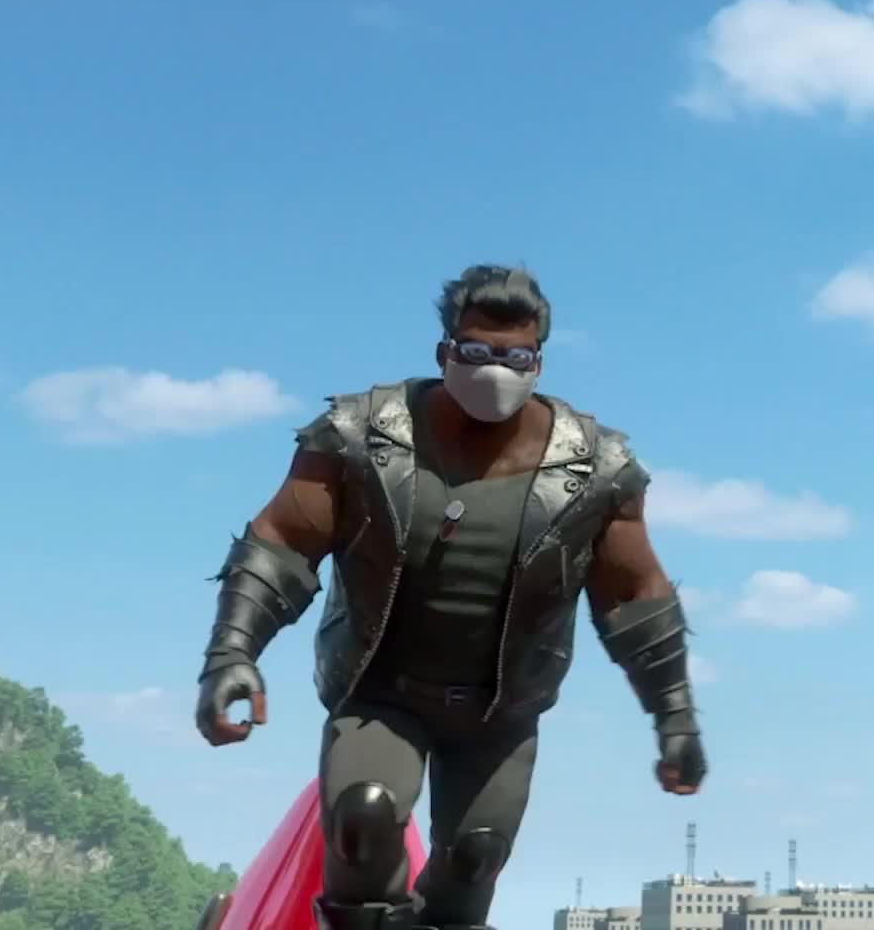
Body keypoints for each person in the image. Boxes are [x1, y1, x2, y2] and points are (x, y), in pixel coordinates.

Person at [191, 264, 707, 930]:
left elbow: (635, 596)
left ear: (539, 362)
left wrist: (675, 717)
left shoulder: (594, 470)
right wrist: (232, 652)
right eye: (476, 351)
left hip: (500, 711)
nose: (495, 370)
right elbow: (283, 542)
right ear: (444, 352)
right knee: (363, 817)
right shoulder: (362, 437)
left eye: (515, 357)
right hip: (381, 692)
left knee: (475, 856)